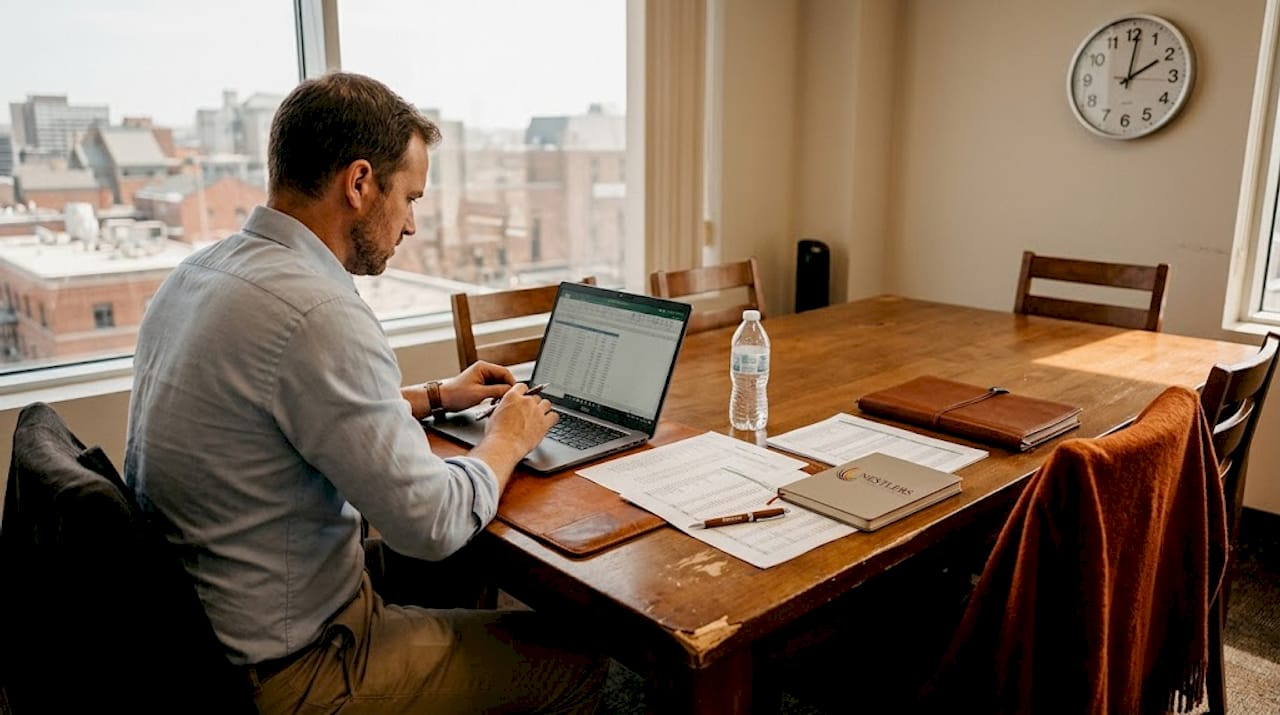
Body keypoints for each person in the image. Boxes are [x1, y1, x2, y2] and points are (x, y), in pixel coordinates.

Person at [124, 72, 607, 714]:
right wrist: (506, 440)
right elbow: (432, 524)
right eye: (409, 198)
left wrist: (436, 395)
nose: (411, 225)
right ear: (359, 183)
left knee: (464, 568)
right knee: (580, 664)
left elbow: (288, 409)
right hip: (291, 667)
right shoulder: (318, 313)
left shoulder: (201, 273)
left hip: (206, 623)